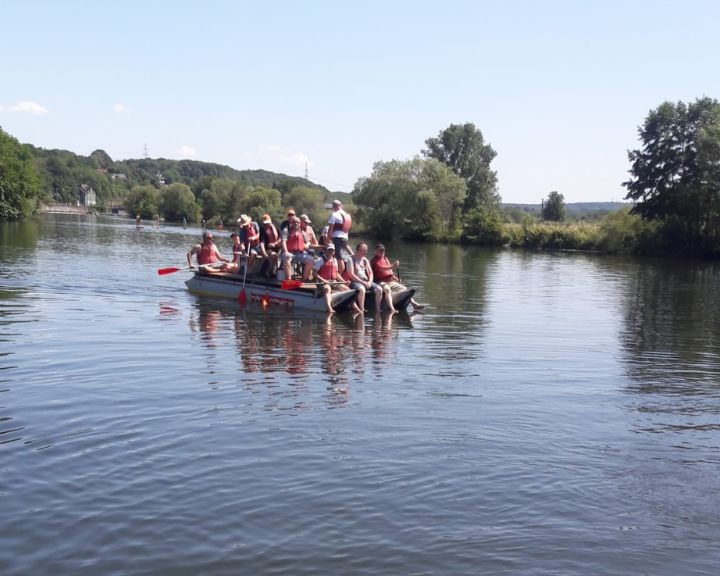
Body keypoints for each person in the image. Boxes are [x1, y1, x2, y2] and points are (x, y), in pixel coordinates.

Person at [370, 244, 424, 309]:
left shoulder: (385, 259)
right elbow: (382, 268)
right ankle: (391, 308)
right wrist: (393, 266)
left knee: (404, 288)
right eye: (380, 251)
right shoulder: (374, 261)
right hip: (379, 282)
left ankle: (414, 304)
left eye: (383, 251)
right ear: (376, 251)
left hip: (390, 281)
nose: (382, 252)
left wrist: (395, 278)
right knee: (387, 289)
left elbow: (389, 272)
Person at [313, 244, 360, 313]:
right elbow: (314, 273)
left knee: (347, 289)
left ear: (334, 252)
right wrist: (324, 281)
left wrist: (344, 281)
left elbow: (336, 274)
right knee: (327, 289)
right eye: (329, 250)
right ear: (326, 251)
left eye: (332, 251)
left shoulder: (335, 260)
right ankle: (329, 308)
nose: (330, 252)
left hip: (333, 282)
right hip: (322, 282)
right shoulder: (320, 260)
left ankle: (355, 307)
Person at [350, 242, 396, 313]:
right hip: (356, 282)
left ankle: (377, 309)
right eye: (364, 250)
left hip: (366, 281)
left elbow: (370, 273)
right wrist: (363, 282)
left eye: (366, 250)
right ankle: (362, 309)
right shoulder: (351, 260)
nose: (366, 252)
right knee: (362, 289)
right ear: (359, 250)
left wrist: (369, 281)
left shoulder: (365, 260)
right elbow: (351, 274)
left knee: (379, 289)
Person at [280, 216, 315, 281]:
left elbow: (308, 242)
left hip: (300, 253)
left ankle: (304, 279)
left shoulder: (302, 232)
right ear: (291, 223)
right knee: (286, 257)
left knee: (311, 260)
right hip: (290, 252)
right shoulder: (286, 230)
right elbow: (283, 242)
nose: (296, 223)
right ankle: (289, 279)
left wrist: (307, 245)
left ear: (299, 224)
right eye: (294, 222)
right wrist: (286, 251)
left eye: (297, 222)